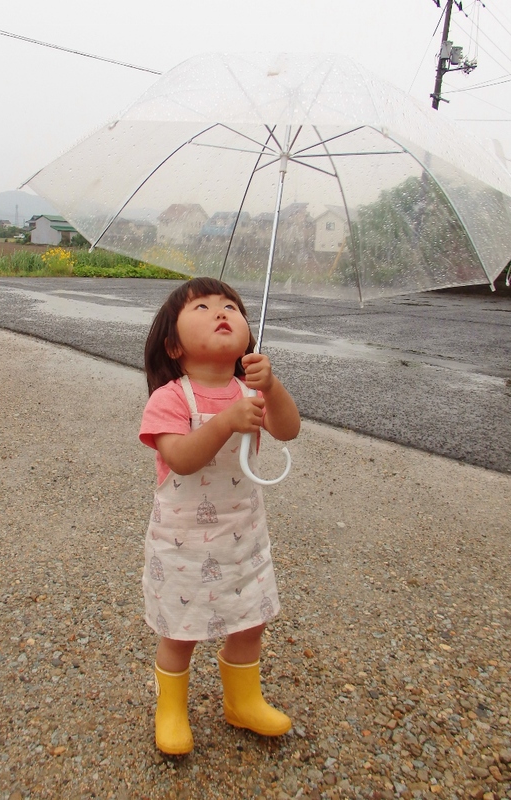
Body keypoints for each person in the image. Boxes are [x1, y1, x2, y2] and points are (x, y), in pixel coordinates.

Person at [139, 276, 301, 755]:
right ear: (173, 344)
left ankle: (242, 700)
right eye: (203, 307)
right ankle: (170, 709)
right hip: (183, 542)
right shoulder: (170, 398)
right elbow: (183, 459)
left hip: (242, 536)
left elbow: (288, 430)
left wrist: (271, 387)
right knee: (180, 629)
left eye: (231, 305)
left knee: (249, 620)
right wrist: (229, 421)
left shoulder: (249, 392)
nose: (222, 312)